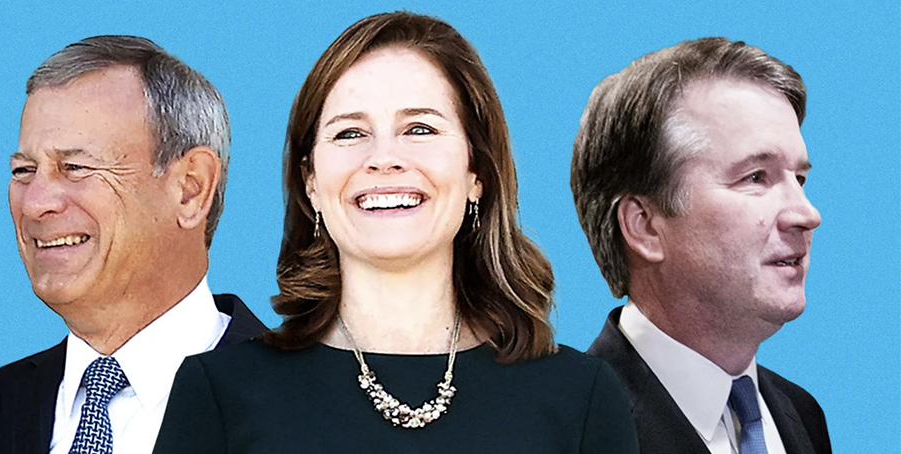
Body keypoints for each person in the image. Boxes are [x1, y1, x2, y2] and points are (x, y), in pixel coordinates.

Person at [153, 11, 638, 454]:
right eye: (350, 133)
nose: (383, 157)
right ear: (311, 182)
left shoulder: (581, 398)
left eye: (420, 129)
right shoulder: (219, 392)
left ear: (477, 173)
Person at [0, 36, 266, 454]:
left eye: (75, 167)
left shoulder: (321, 408)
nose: (37, 203)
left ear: (190, 189)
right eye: (24, 170)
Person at [571, 37, 832, 454]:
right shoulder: (569, 429)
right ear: (645, 226)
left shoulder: (801, 415)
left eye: (799, 179)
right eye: (756, 178)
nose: (806, 214)